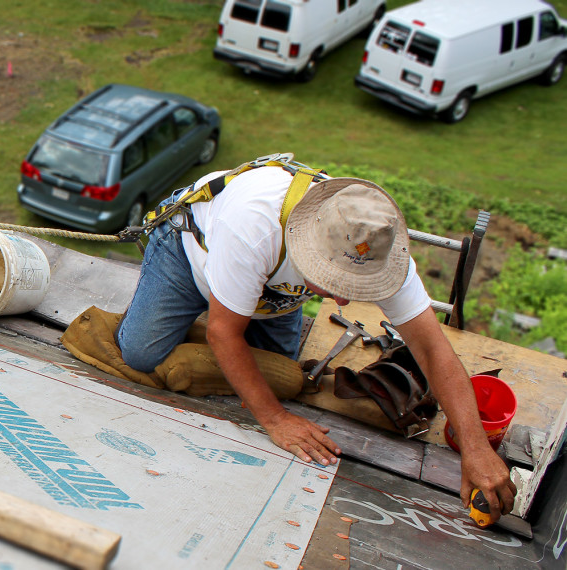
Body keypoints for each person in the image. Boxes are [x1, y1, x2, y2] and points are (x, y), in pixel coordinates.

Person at [116, 155, 516, 523]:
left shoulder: (378, 246)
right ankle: (200, 309)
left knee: (279, 376)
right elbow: (223, 332)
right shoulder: (253, 227)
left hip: (273, 294)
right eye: (329, 281)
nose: (341, 299)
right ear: (304, 242)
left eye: (356, 286)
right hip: (191, 255)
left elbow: (431, 348)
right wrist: (274, 421)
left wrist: (477, 448)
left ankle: (230, 311)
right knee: (140, 353)